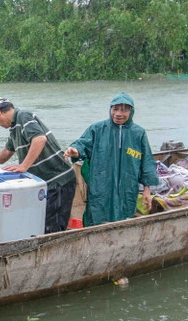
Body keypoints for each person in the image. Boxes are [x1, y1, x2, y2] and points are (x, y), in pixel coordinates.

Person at [64, 92, 158, 227]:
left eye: (124, 110)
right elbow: (82, 144)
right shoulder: (97, 129)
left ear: (131, 112)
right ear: (110, 110)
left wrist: (147, 190)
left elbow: (146, 162)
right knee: (97, 218)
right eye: (115, 109)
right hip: (101, 187)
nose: (118, 113)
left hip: (127, 187)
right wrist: (75, 151)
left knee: (124, 219)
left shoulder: (138, 133)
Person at [0, 96, 76, 233]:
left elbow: (39, 139)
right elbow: (7, 151)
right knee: (40, 224)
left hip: (58, 180)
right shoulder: (14, 128)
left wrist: (23, 166)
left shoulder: (23, 116)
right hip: (46, 183)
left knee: (52, 226)